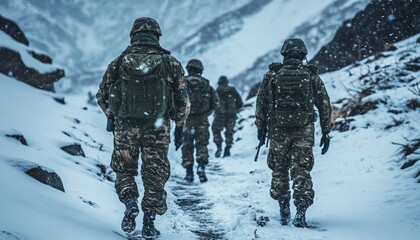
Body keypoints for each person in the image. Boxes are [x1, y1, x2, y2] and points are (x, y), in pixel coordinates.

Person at [96, 17, 190, 238]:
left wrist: (113, 116)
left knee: (125, 170)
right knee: (154, 174)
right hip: (157, 128)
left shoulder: (119, 62)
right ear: (157, 36)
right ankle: (149, 221)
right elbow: (183, 101)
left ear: (133, 35)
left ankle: (130, 201)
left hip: (125, 128)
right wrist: (178, 122)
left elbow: (102, 95)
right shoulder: (171, 63)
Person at [255, 38, 332, 228]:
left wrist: (261, 128)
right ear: (303, 54)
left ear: (284, 54)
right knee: (301, 170)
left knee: (279, 169)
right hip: (303, 130)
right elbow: (324, 105)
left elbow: (261, 104)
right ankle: (301, 212)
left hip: (278, 130)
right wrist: (326, 132)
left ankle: (284, 207)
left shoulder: (272, 75)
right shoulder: (311, 76)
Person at [181, 59, 219, 183]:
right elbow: (215, 102)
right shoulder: (206, 84)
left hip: (186, 120)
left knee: (187, 145)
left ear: (189, 69)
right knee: (202, 145)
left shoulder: (182, 83)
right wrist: (206, 113)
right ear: (200, 70)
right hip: (202, 120)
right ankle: (201, 168)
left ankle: (189, 172)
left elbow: (175, 100)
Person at [211, 75, 243, 158]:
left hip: (219, 114)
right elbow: (240, 102)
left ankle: (219, 147)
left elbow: (212, 102)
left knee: (216, 130)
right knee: (229, 132)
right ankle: (228, 148)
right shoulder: (233, 90)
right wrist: (236, 109)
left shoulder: (217, 90)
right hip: (231, 114)